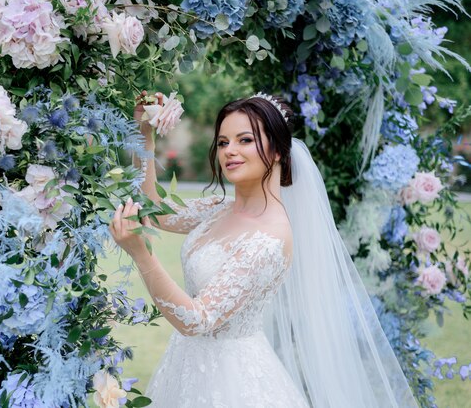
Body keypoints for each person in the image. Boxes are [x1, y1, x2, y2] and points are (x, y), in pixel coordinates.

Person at [109, 93, 418, 407]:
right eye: (223, 142)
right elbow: (154, 210)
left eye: (245, 140)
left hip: (233, 384)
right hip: (187, 366)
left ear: (278, 150)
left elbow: (197, 320)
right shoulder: (220, 208)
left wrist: (141, 254)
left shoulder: (269, 241)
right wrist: (144, 132)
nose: (230, 151)